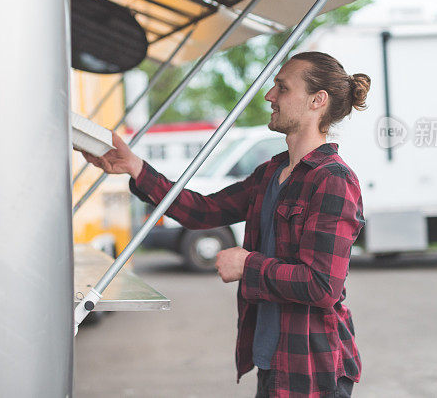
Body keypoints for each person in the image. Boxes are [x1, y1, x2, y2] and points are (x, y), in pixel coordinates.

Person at [82, 51, 370, 398]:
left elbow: (321, 285)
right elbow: (202, 210)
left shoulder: (333, 180)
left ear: (317, 101)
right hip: (273, 358)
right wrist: (136, 168)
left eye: (282, 87)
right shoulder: (270, 174)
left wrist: (248, 264)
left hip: (312, 368)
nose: (270, 96)